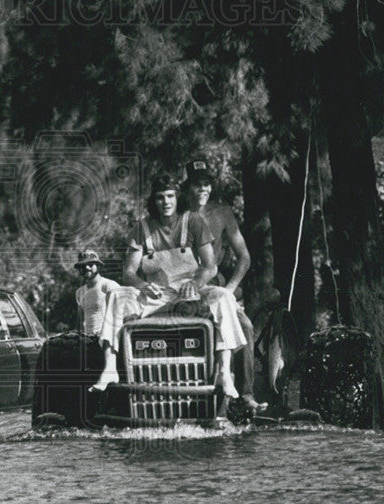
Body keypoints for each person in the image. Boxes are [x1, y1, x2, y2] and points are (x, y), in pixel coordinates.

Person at [92, 175, 247, 397]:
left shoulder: (193, 221)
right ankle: (109, 368)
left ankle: (223, 372)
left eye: (170, 196)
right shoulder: (142, 228)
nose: (165, 202)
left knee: (223, 297)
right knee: (117, 295)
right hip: (155, 295)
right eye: (160, 197)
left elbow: (210, 267)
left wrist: (195, 283)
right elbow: (128, 272)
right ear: (153, 201)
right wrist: (143, 285)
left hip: (189, 295)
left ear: (177, 198)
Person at [184, 159, 265, 413]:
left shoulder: (222, 213)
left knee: (246, 326)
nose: (203, 189)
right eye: (198, 184)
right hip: (183, 285)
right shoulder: (176, 213)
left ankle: (246, 394)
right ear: (187, 186)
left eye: (207, 184)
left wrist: (230, 290)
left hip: (214, 284)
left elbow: (245, 258)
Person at [74, 249, 121, 336]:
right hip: (87, 339)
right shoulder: (79, 292)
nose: (87, 268)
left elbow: (120, 316)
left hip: (107, 338)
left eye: (91, 265)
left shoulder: (108, 285)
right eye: (83, 266)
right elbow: (80, 321)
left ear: (98, 266)